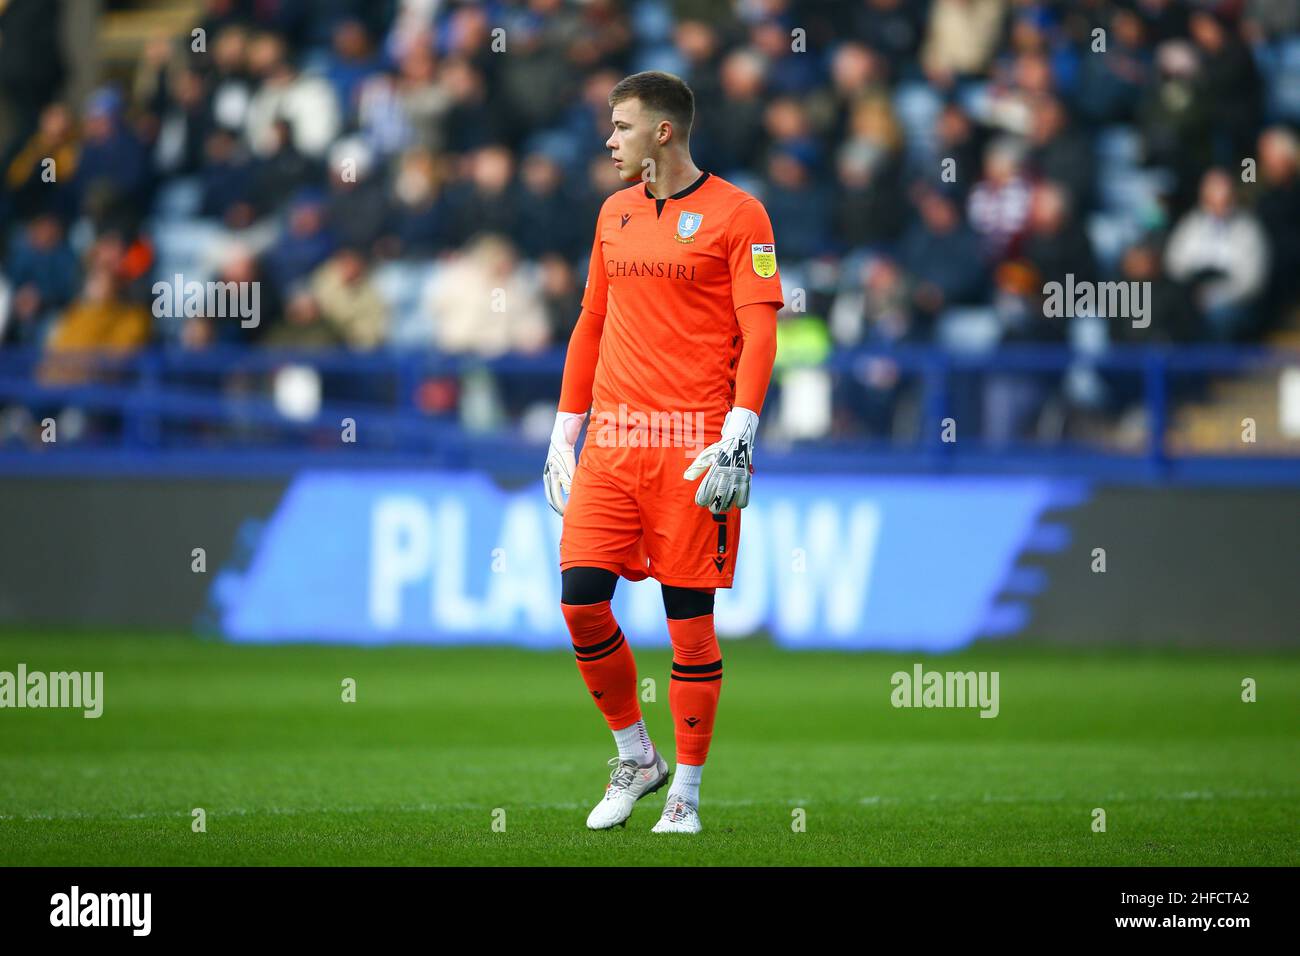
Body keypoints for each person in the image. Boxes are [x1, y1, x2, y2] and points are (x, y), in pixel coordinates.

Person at [542, 71, 781, 834]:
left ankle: (688, 792)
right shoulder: (613, 214)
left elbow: (762, 329)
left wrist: (739, 432)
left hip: (691, 452)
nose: (609, 140)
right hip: (612, 446)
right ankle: (636, 756)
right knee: (581, 600)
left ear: (663, 133)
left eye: (620, 126)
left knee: (690, 627)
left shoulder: (740, 215)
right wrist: (562, 432)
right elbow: (590, 324)